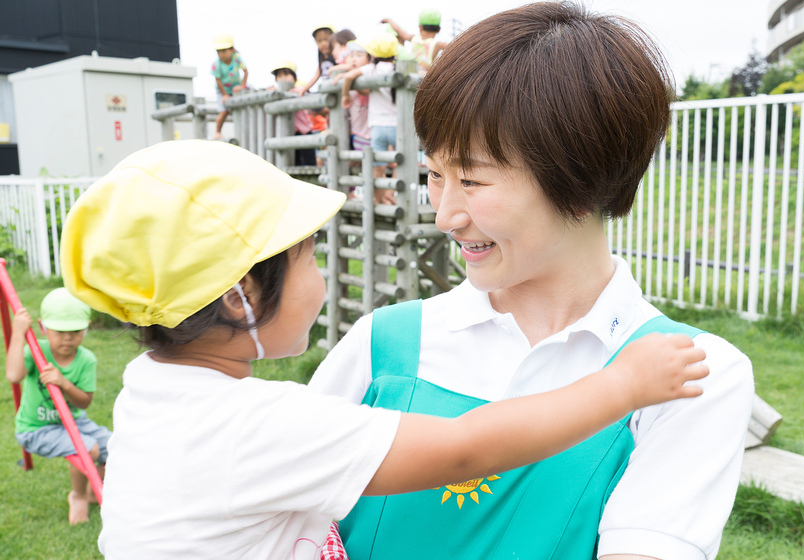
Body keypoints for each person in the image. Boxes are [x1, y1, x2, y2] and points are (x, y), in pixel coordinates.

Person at [59, 140, 708, 559]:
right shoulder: (254, 425)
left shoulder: (154, 390)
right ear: (239, 296)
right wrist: (623, 386)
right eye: (308, 257)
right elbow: (466, 449)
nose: (319, 279)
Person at [309, 3, 755, 560]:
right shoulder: (382, 345)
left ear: (585, 176)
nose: (445, 214)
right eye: (434, 175)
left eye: (472, 180)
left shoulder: (692, 376)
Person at [5, 288, 110, 525]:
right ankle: (79, 495)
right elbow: (13, 375)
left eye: (74, 331)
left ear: (86, 328)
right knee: (89, 449)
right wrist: (19, 333)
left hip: (73, 421)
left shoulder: (86, 359)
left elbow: (84, 401)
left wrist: (64, 383)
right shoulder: (36, 352)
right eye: (60, 332)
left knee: (110, 446)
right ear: (43, 327)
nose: (67, 338)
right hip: (36, 429)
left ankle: (97, 491)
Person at [338, 34, 399, 205]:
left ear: (373, 55)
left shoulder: (371, 69)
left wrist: (345, 96)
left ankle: (378, 200)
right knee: (403, 161)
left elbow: (350, 77)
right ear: (395, 55)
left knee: (377, 167)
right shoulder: (398, 69)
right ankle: (390, 193)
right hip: (396, 126)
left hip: (377, 128)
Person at [269, 60, 316, 166]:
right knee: (293, 163)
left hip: (304, 133)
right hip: (288, 134)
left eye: (286, 74)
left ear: (294, 77)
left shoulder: (298, 90)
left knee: (309, 164)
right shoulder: (276, 94)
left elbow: (303, 92)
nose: (283, 78)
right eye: (279, 76)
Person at [381, 9, 448, 72]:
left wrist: (389, 20)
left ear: (420, 27)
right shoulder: (437, 45)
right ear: (439, 29)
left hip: (410, 75)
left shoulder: (414, 38)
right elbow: (455, 47)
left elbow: (399, 31)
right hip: (424, 79)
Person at [210, 34, 248, 140]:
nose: (221, 54)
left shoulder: (236, 58)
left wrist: (243, 85)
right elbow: (218, 81)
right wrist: (225, 95)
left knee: (244, 105)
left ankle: (244, 132)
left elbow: (245, 71)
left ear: (232, 49)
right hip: (222, 90)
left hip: (236, 89)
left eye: (224, 51)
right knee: (223, 110)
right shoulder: (216, 64)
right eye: (218, 51)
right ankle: (217, 132)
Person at [292, 25, 335, 95]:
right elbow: (316, 76)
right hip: (327, 90)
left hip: (337, 88)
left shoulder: (337, 56)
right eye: (319, 41)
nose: (323, 43)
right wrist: (304, 89)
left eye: (326, 39)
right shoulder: (322, 60)